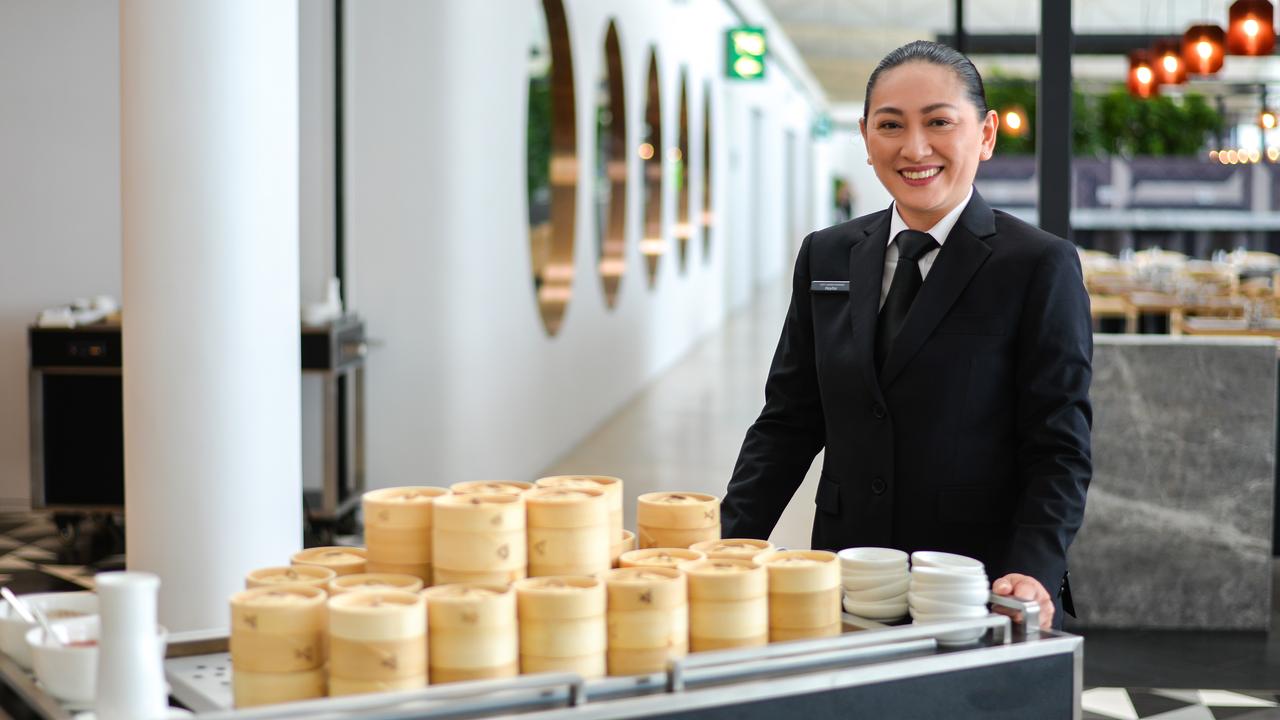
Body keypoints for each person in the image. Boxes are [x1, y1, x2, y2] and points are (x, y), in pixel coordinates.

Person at [720, 40, 1092, 631]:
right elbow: (789, 420)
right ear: (866, 138)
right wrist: (728, 541)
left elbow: (1058, 443)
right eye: (891, 125)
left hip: (972, 580)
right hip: (848, 569)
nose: (914, 148)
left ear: (986, 134)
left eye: (940, 122)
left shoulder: (1037, 265)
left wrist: (1034, 567)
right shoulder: (828, 253)